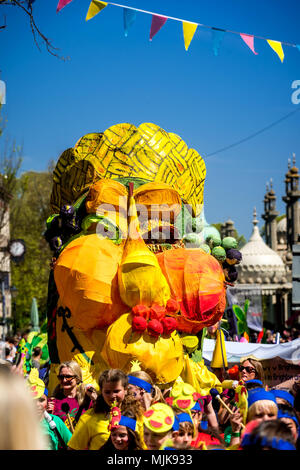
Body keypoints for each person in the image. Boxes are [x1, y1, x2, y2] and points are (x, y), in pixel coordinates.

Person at [67, 368, 128, 450]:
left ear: (125, 390)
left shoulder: (135, 413)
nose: (112, 396)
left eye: (116, 391)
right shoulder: (89, 417)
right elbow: (73, 448)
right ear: (101, 392)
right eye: (107, 392)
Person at [0, 366, 47, 450]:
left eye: (41, 400)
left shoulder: (55, 423)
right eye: (32, 401)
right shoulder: (18, 424)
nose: (37, 404)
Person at [48, 360, 96, 430]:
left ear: (77, 378)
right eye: (61, 377)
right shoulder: (53, 401)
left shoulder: (87, 398)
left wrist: (95, 399)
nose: (64, 380)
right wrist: (48, 414)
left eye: (68, 377)